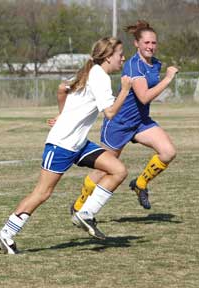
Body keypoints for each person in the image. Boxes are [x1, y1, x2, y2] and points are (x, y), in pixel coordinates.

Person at [0, 37, 132, 254]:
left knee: (118, 170)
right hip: (62, 144)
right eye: (120, 54)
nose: (123, 57)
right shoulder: (99, 76)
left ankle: (85, 214)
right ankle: (5, 234)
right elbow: (110, 113)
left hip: (78, 143)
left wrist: (62, 114)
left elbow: (61, 89)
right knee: (42, 193)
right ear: (108, 56)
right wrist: (125, 90)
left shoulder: (90, 71)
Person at [71, 20, 178, 215]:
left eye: (153, 43)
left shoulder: (155, 64)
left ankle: (140, 183)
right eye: (146, 43)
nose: (150, 46)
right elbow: (144, 97)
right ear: (137, 44)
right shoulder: (133, 66)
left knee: (168, 152)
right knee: (105, 169)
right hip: (119, 123)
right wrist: (168, 79)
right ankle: (79, 205)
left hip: (141, 123)